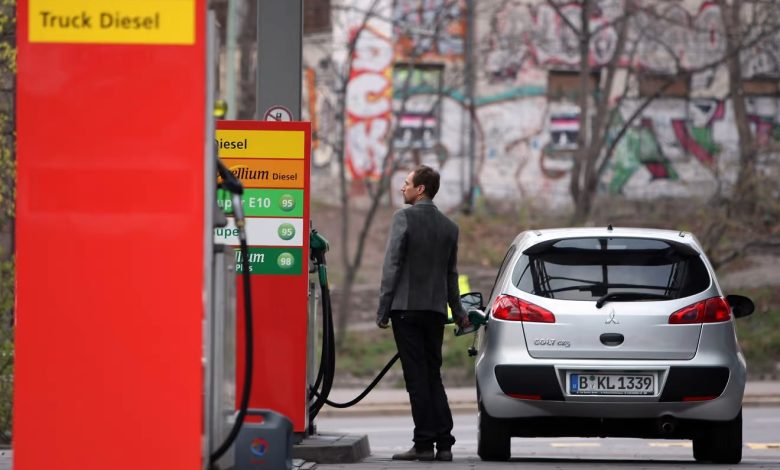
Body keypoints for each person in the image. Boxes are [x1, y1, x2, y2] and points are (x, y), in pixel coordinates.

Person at [376, 165, 471, 462]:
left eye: (406, 183)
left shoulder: (403, 218)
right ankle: (444, 444)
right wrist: (458, 311)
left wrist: (383, 309)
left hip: (405, 310)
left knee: (416, 379)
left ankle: (423, 444)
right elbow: (451, 275)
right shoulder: (449, 227)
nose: (401, 188)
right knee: (432, 375)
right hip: (434, 312)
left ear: (420, 189)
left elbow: (392, 266)